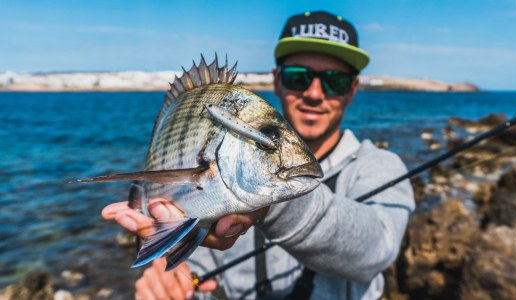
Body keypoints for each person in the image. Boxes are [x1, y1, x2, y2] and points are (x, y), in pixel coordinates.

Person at [102, 10, 415, 300]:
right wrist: (176, 277)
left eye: (335, 80)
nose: (315, 93)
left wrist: (269, 204)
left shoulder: (379, 166)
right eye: (298, 76)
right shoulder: (225, 163)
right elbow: (191, 245)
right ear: (277, 81)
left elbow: (377, 250)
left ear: (353, 89)